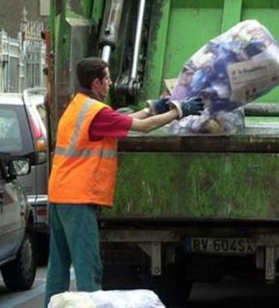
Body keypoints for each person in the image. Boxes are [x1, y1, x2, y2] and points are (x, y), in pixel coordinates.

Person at [43, 57, 203, 307]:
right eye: (106, 78)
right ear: (96, 83)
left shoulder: (79, 106)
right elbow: (145, 127)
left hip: (60, 195)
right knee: (89, 268)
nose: (109, 83)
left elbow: (125, 119)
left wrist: (156, 106)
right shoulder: (96, 113)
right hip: (78, 199)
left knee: (58, 267)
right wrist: (178, 111)